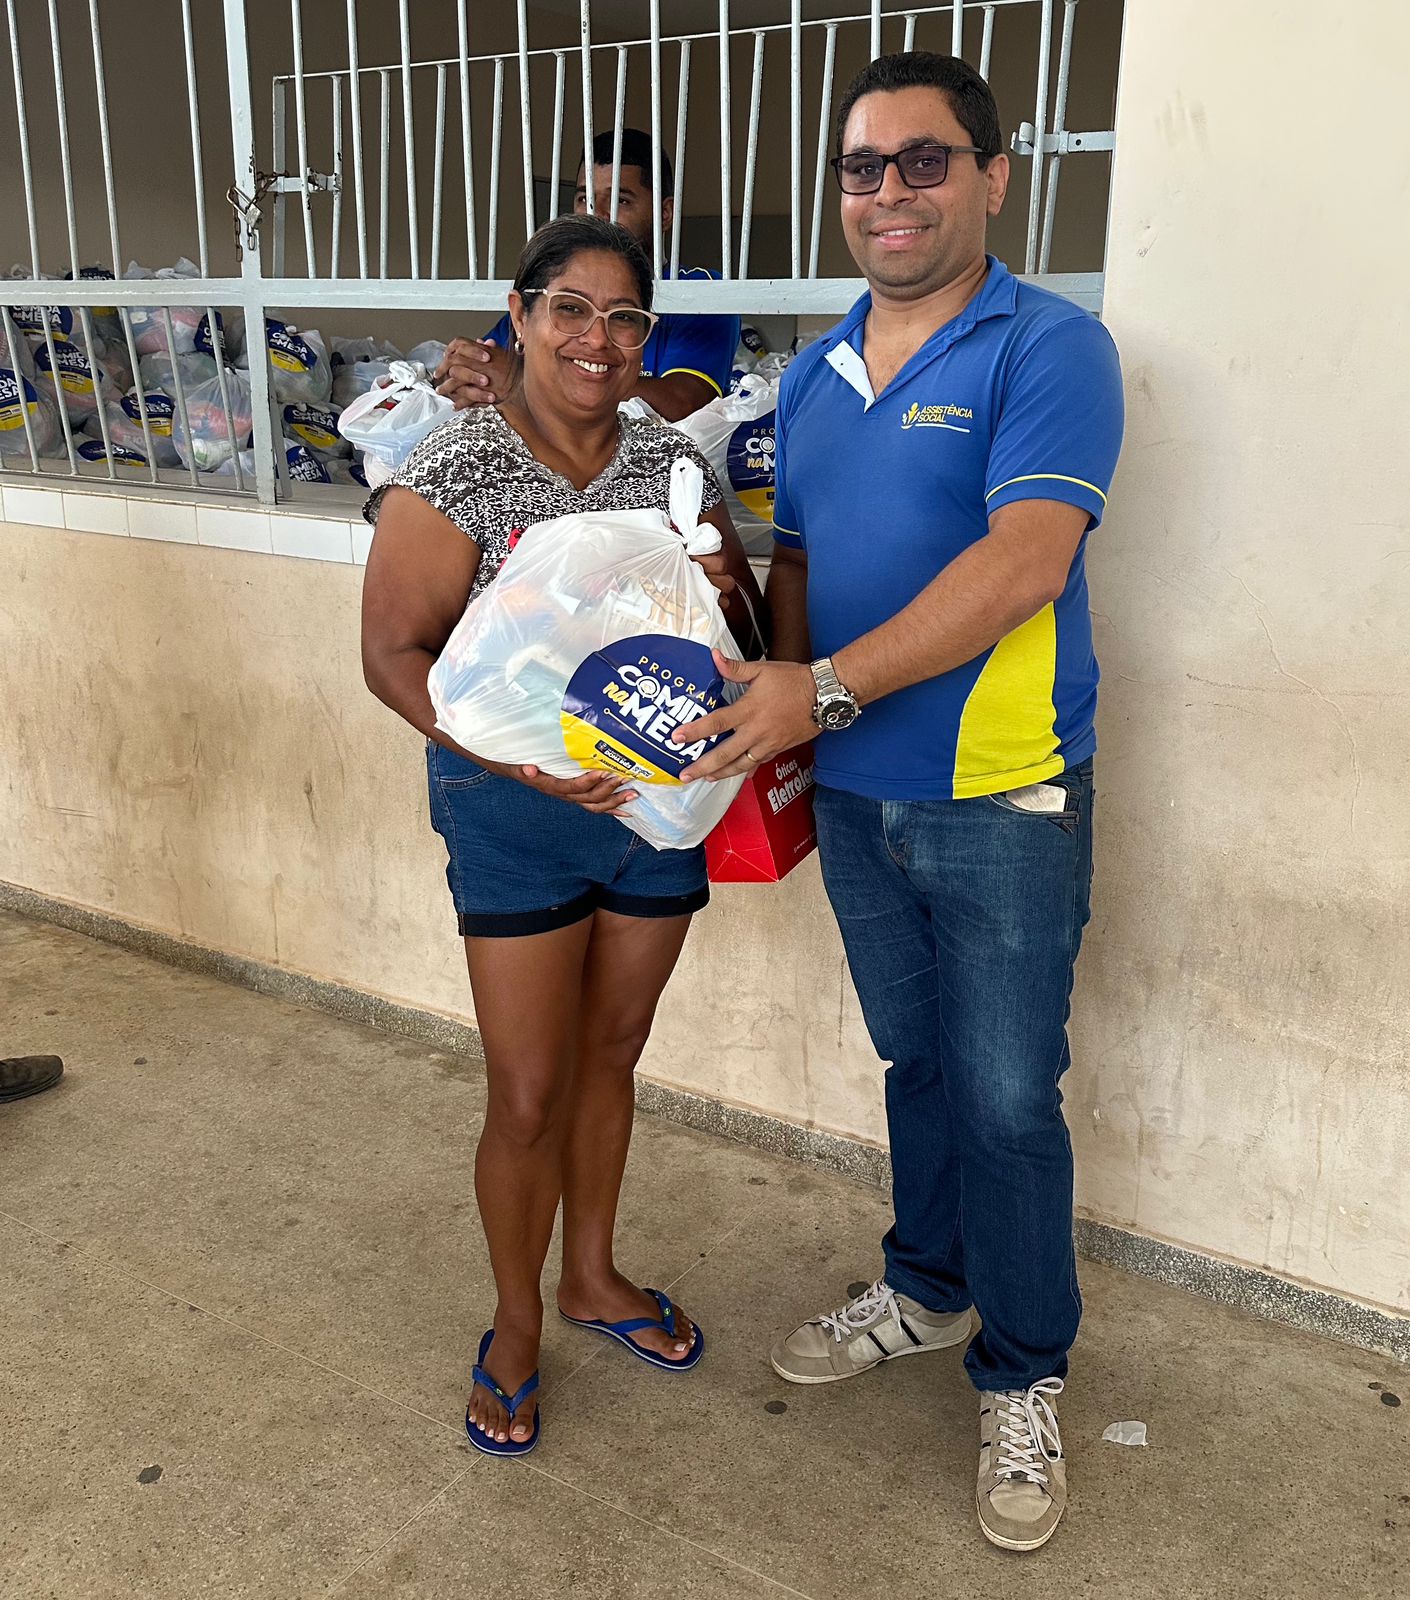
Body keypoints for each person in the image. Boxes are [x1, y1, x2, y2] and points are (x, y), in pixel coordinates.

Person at [674, 53, 1124, 1551]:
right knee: (916, 1064)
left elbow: (1025, 564)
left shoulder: (1048, 347)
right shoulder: (812, 376)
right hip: (856, 793)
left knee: (1006, 1097)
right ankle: (928, 1291)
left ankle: (1025, 1368)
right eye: (863, 167)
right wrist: (776, 716)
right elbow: (798, 564)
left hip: (1004, 793)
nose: (889, 192)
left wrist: (819, 692)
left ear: (992, 177)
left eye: (924, 161)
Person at [360, 213, 766, 1457]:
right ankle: (516, 1319)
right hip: (514, 817)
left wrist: (725, 586)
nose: (598, 338)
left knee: (612, 1051)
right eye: (570, 310)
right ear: (521, 316)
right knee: (528, 1091)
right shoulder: (455, 467)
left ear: (647, 335)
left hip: (656, 811)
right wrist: (513, 761)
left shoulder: (671, 464)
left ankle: (591, 1275)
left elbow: (734, 628)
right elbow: (393, 658)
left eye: (624, 316)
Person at [434, 128, 741, 423]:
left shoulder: (699, 292)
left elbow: (684, 403)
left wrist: (522, 381)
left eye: (620, 200)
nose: (597, 214)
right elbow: (485, 371)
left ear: (664, 214)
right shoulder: (547, 289)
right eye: (584, 199)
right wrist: (462, 372)